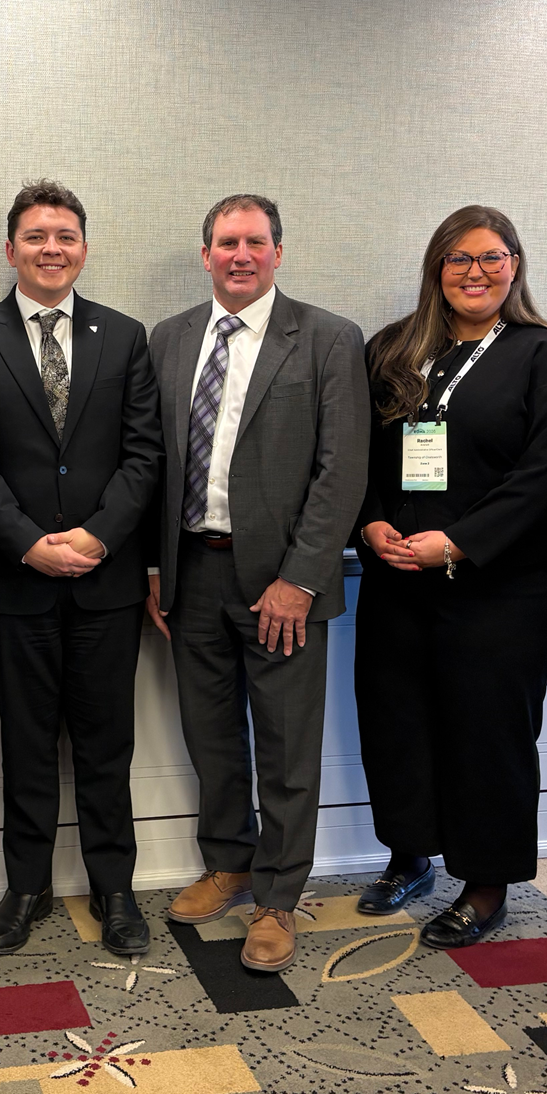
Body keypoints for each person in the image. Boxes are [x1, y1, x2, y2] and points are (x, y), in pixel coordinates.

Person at [0, 180, 164, 957]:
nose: (51, 248)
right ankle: (25, 887)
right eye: (35, 236)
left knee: (108, 744)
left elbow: (145, 454)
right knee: (26, 741)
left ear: (84, 248)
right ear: (11, 249)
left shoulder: (125, 337)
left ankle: (116, 888)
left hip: (106, 579)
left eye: (65, 235)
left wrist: (97, 537)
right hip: (13, 580)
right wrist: (30, 542)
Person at [354, 206, 547, 947]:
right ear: (436, 269)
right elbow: (355, 452)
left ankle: (486, 884)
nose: (475, 272)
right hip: (398, 576)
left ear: (515, 265)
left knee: (487, 733)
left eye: (491, 257)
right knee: (397, 721)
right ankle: (409, 855)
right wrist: (369, 522)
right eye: (458, 259)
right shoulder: (392, 348)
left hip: (505, 584)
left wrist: (457, 543)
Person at [148, 194, 369, 974]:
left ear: (279, 251)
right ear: (205, 254)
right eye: (225, 242)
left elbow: (342, 470)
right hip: (192, 571)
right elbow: (155, 462)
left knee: (285, 745)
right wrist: (155, 566)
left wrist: (301, 580)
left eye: (255, 241)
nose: (240, 254)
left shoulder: (328, 339)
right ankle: (229, 861)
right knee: (210, 735)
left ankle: (278, 896)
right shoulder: (170, 339)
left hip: (282, 583)